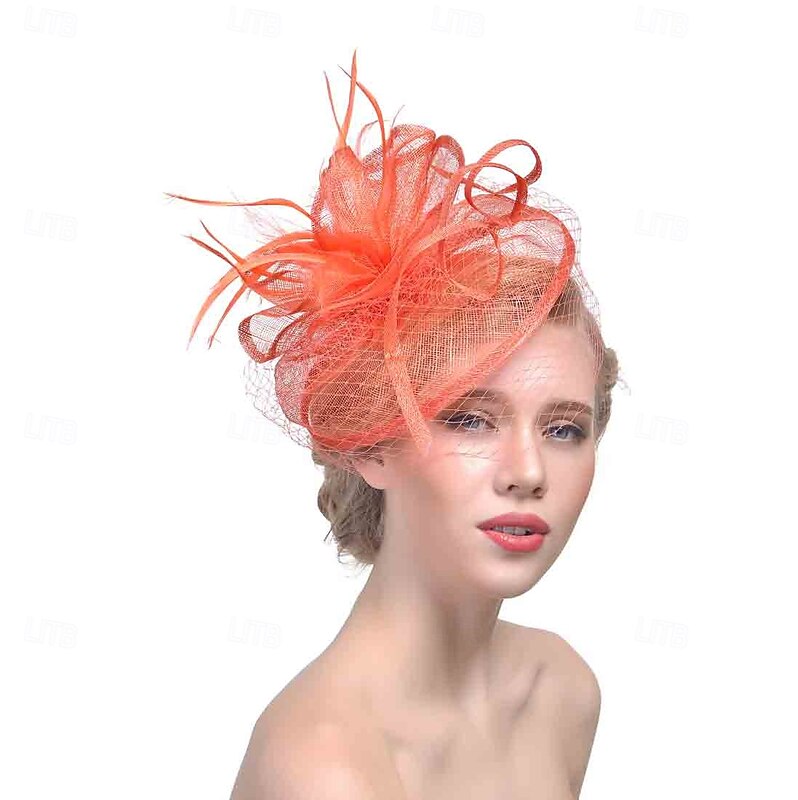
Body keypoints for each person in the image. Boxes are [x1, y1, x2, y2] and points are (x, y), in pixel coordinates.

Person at [167, 49, 621, 799]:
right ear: (371, 441)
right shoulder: (325, 769)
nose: (528, 471)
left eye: (565, 429)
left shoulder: (560, 694)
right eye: (470, 420)